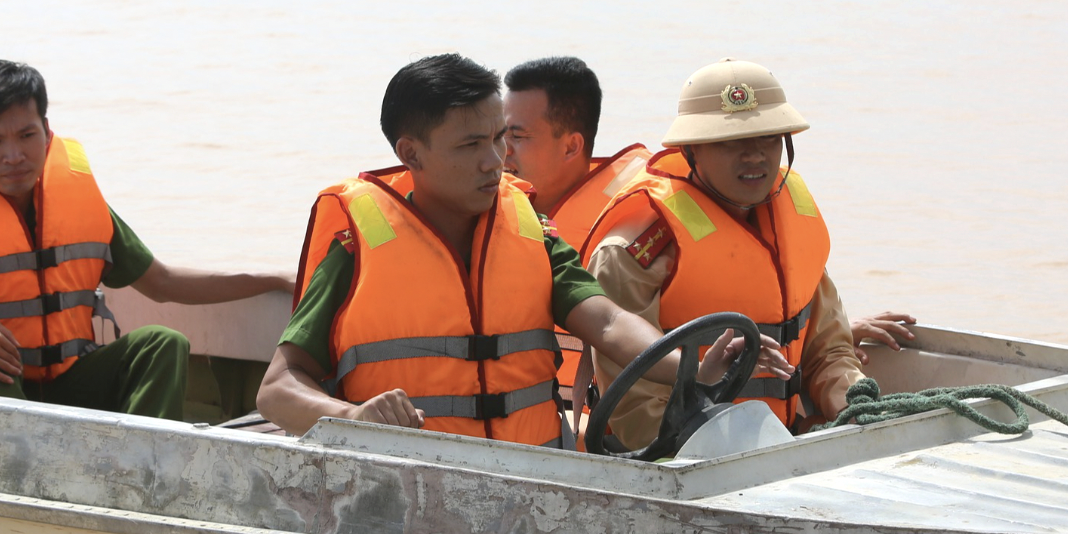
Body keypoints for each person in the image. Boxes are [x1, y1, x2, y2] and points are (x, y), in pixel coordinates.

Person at [256, 53, 789, 446]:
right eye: (471, 145)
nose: (495, 161)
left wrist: (691, 365)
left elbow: (605, 322)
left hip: (530, 478)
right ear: (409, 153)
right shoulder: (356, 243)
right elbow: (278, 388)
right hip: (408, 484)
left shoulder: (531, 228)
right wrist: (352, 419)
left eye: (499, 139)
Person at [0, 59, 291, 419]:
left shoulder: (75, 202)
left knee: (162, 343)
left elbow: (164, 282)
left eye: (26, 135)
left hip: (70, 385)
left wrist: (273, 279)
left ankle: (143, 474)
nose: (14, 155)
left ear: (46, 132)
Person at [582, 58, 894, 445]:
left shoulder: (792, 222)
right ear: (692, 150)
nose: (755, 156)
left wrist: (856, 407)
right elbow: (636, 411)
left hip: (781, 443)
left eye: (769, 138)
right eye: (731, 142)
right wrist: (745, 449)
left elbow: (828, 353)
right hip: (680, 457)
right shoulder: (634, 252)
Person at [501, 56, 650, 393]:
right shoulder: (483, 214)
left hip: (596, 431)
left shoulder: (632, 228)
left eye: (517, 137)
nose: (500, 153)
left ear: (571, 146)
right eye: (498, 136)